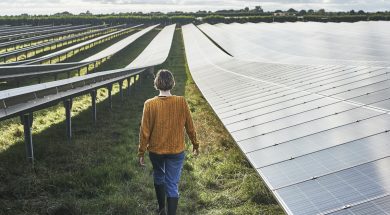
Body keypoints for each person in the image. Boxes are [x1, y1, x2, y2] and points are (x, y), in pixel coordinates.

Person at [138, 69, 199, 215]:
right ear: (172, 83)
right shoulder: (181, 102)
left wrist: (141, 151)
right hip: (176, 150)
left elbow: (144, 131)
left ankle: (161, 209)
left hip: (156, 151)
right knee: (172, 184)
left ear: (156, 83)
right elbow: (190, 126)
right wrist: (195, 144)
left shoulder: (149, 104)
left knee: (159, 175)